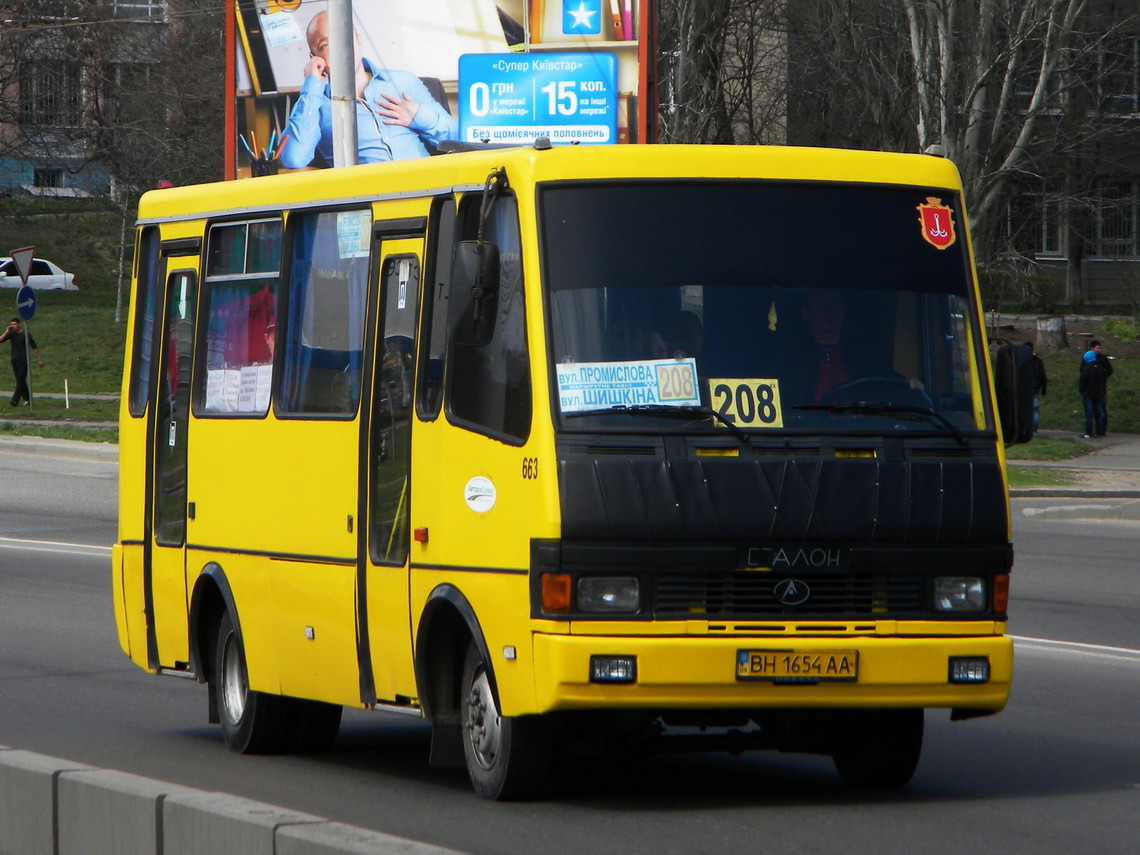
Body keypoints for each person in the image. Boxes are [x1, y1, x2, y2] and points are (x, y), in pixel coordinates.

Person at [279, 11, 457, 169]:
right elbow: (293, 158)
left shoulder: (403, 81)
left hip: (428, 192)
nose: (340, 48)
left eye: (344, 36)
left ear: (358, 40)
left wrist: (418, 115)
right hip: (369, 200)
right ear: (315, 58)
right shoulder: (316, 103)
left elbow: (458, 137)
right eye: (326, 45)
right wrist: (312, 86)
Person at [0, 317, 44, 406]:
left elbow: (34, 347)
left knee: (20, 380)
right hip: (14, 360)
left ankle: (15, 399)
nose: (13, 326)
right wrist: (6, 331)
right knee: (20, 380)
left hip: (24, 360)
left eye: (14, 324)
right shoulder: (11, 334)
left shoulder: (26, 334)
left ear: (19, 324)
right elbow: (0, 340)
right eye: (11, 324)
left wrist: (40, 359)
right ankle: (28, 399)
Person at [1079, 339, 1113, 438]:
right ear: (1092, 348)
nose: (1099, 350)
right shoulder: (1101, 368)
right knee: (1099, 412)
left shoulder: (1088, 368)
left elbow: (1083, 381)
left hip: (1090, 393)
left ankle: (1090, 432)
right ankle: (1099, 431)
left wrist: (1082, 391)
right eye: (1097, 348)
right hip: (1099, 392)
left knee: (1091, 413)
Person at [1025, 341, 1047, 433]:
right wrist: (1043, 389)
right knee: (1035, 409)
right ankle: (1034, 428)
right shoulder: (1037, 361)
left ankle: (1026, 427)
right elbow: (1042, 375)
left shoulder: (1022, 361)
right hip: (1035, 387)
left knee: (1025, 409)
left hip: (1025, 388)